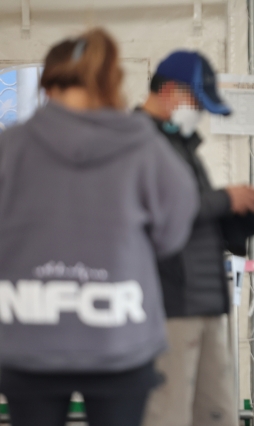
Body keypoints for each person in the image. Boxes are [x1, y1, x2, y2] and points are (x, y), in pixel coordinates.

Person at [0, 29, 199, 426]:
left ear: (48, 82)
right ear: (111, 82)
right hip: (120, 334)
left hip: (27, 333)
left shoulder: (11, 147)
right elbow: (175, 228)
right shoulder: (146, 148)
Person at [140, 51, 254, 426]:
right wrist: (224, 199)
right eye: (196, 101)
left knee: (216, 413)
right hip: (169, 300)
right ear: (169, 90)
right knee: (169, 412)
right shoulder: (136, 141)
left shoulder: (180, 144)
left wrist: (239, 221)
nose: (199, 112)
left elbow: (192, 218)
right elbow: (155, 208)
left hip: (204, 295)